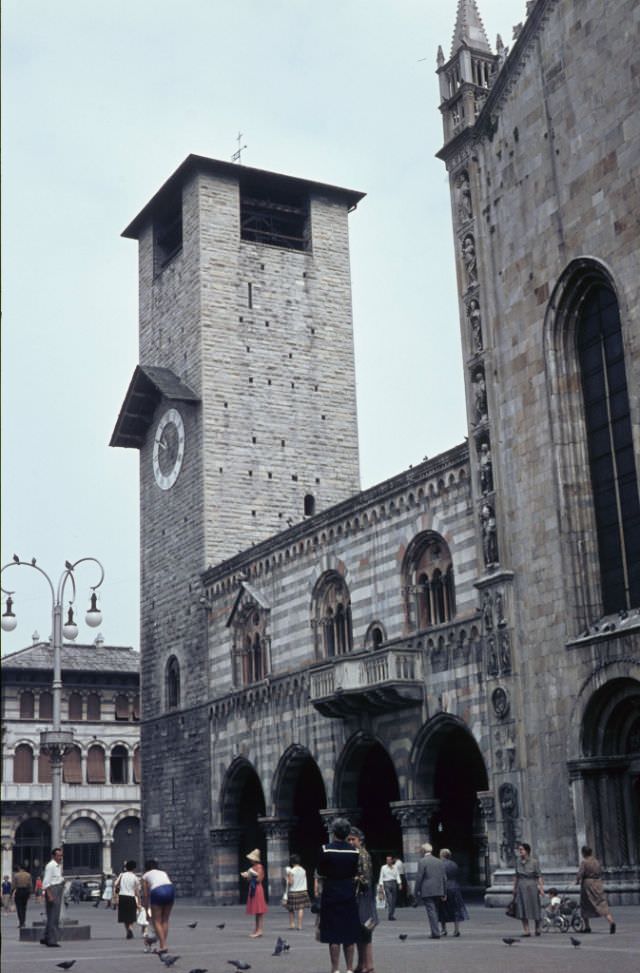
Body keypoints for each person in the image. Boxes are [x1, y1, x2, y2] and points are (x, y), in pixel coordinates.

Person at [317, 817, 361, 973]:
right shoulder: (354, 851)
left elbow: (321, 871)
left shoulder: (326, 849)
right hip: (348, 892)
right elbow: (355, 871)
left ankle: (335, 969)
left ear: (334, 831)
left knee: (333, 934)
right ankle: (349, 969)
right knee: (349, 933)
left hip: (331, 892)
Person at [348, 827, 377, 973]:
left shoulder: (362, 854)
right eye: (349, 839)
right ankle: (361, 964)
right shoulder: (356, 853)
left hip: (362, 895)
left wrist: (349, 878)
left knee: (365, 929)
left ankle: (368, 965)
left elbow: (365, 879)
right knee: (360, 931)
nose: (351, 842)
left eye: (353, 839)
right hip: (359, 895)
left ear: (360, 840)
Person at [576, 846, 616, 934]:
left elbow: (580, 874)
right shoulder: (597, 862)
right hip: (598, 883)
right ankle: (611, 921)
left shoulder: (584, 862)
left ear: (583, 853)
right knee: (601, 903)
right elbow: (600, 871)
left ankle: (587, 927)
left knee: (585, 904)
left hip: (588, 884)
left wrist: (577, 880)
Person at [414, 842, 447, 939]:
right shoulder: (439, 861)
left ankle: (435, 933)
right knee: (435, 911)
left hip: (427, 890)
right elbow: (444, 878)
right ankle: (436, 930)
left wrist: (416, 891)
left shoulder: (422, 861)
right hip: (438, 890)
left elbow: (419, 877)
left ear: (424, 850)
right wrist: (444, 892)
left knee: (431, 911)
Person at [142, 859, 175, 955]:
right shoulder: (163, 873)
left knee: (156, 920)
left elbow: (145, 894)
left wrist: (146, 908)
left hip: (157, 891)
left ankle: (163, 945)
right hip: (170, 889)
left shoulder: (145, 876)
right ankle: (162, 944)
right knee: (165, 920)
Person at [512, 842, 544, 937]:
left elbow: (539, 876)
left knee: (535, 907)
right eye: (519, 850)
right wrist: (514, 888)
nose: (520, 851)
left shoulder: (534, 862)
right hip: (521, 886)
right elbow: (516, 876)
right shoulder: (517, 861)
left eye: (522, 850)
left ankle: (537, 928)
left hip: (532, 886)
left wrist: (541, 888)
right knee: (522, 908)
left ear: (527, 851)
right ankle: (526, 930)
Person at [437, 849, 468, 937]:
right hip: (455, 887)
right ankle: (456, 930)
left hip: (445, 887)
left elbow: (441, 878)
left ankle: (444, 929)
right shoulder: (454, 864)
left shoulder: (440, 864)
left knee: (442, 909)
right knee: (455, 909)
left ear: (442, 855)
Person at [240, 849, 268, 938]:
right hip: (253, 888)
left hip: (257, 889)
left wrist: (250, 876)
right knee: (257, 911)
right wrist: (247, 876)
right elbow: (249, 880)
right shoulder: (253, 867)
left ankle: (259, 930)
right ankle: (257, 929)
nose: (250, 860)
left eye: (251, 859)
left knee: (259, 911)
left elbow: (259, 879)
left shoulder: (259, 867)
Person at [41, 847, 64, 947]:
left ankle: (46, 937)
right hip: (53, 890)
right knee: (54, 916)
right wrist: (50, 895)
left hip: (57, 889)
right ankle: (52, 940)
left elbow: (57, 878)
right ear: (53, 856)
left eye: (61, 855)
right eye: (58, 855)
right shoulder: (51, 866)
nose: (60, 857)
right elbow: (46, 882)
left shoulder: (58, 866)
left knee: (52, 915)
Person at [115, 859, 141, 939]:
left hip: (122, 897)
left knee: (124, 916)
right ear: (134, 868)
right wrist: (139, 902)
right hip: (131, 897)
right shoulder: (135, 877)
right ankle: (130, 928)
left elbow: (116, 885)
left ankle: (127, 931)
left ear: (126, 867)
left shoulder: (121, 875)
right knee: (131, 915)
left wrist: (116, 896)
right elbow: (137, 891)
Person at [285, 854, 310, 931]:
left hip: (293, 891)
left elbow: (291, 882)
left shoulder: (291, 871)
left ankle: (292, 924)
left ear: (292, 862)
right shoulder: (303, 870)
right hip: (303, 891)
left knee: (291, 909)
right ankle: (299, 925)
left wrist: (286, 879)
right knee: (300, 908)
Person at [377, 856, 400, 920]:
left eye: (389, 860)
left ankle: (392, 914)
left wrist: (399, 883)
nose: (388, 861)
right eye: (387, 860)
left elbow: (397, 875)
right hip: (386, 883)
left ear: (392, 860)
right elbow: (381, 876)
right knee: (390, 899)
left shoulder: (395, 867)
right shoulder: (383, 867)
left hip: (393, 883)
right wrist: (381, 885)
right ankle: (390, 915)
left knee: (394, 900)